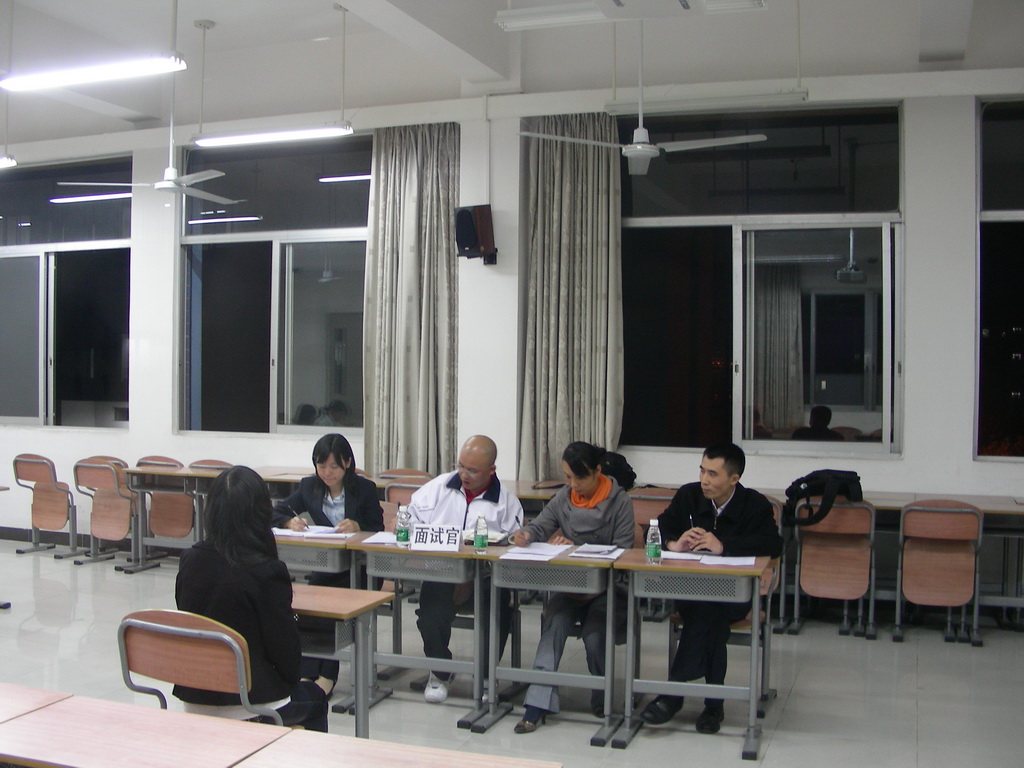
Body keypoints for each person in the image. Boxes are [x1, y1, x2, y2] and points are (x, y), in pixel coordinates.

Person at [640, 442, 782, 734]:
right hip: (691, 591)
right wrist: (673, 543)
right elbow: (657, 528)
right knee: (709, 619)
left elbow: (773, 544)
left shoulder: (755, 505)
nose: (704, 480)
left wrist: (724, 545)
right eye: (702, 471)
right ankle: (713, 706)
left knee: (709, 615)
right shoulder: (689, 496)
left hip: (735, 595)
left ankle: (673, 694)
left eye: (713, 474)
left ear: (734, 478)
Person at [174, 466, 328, 731]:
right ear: (261, 514)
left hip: (195, 694)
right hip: (250, 702)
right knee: (315, 696)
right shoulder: (267, 571)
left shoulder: (190, 560)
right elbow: (286, 657)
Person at [511, 441, 635, 734]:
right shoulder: (564, 498)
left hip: (607, 589)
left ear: (597, 471)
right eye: (568, 477)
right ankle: (537, 703)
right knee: (553, 627)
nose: (573, 484)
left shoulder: (620, 502)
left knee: (595, 636)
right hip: (569, 586)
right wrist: (526, 534)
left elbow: (624, 552)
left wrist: (576, 548)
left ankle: (602, 698)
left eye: (579, 478)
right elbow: (541, 526)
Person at [407, 435, 523, 704]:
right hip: (442, 572)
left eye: (472, 470)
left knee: (497, 613)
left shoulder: (506, 502)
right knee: (430, 615)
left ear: (491, 470)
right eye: (461, 466)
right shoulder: (439, 487)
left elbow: (511, 549)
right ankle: (440, 672)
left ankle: (485, 676)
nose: (464, 475)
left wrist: (471, 577)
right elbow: (411, 518)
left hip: (488, 578)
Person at [271, 433, 384, 693]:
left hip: (362, 569)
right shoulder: (309, 486)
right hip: (329, 566)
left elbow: (377, 527)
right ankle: (307, 674)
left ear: (347, 463)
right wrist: (289, 521)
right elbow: (277, 511)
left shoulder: (364, 489)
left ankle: (327, 676)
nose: (327, 473)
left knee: (332, 609)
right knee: (308, 609)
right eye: (321, 466)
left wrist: (358, 526)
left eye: (333, 466)